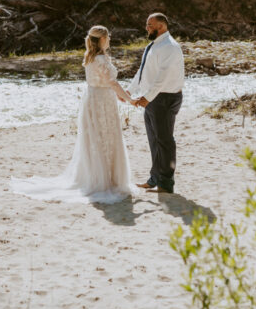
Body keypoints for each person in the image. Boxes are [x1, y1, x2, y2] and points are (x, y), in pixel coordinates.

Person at [10, 25, 134, 204]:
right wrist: (129, 99)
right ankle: (105, 181)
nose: (109, 40)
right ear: (102, 40)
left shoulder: (90, 57)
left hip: (93, 98)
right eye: (108, 38)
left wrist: (118, 95)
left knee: (95, 138)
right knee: (105, 137)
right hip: (102, 102)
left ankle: (100, 178)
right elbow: (112, 83)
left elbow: (104, 81)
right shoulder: (100, 59)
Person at [129, 12, 185, 194]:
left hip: (165, 98)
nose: (147, 28)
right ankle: (154, 178)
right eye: (147, 24)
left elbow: (163, 76)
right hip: (153, 99)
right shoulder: (153, 46)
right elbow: (143, 70)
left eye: (150, 25)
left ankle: (166, 184)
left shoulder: (170, 47)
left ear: (162, 26)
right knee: (154, 140)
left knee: (165, 141)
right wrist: (130, 90)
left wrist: (147, 97)